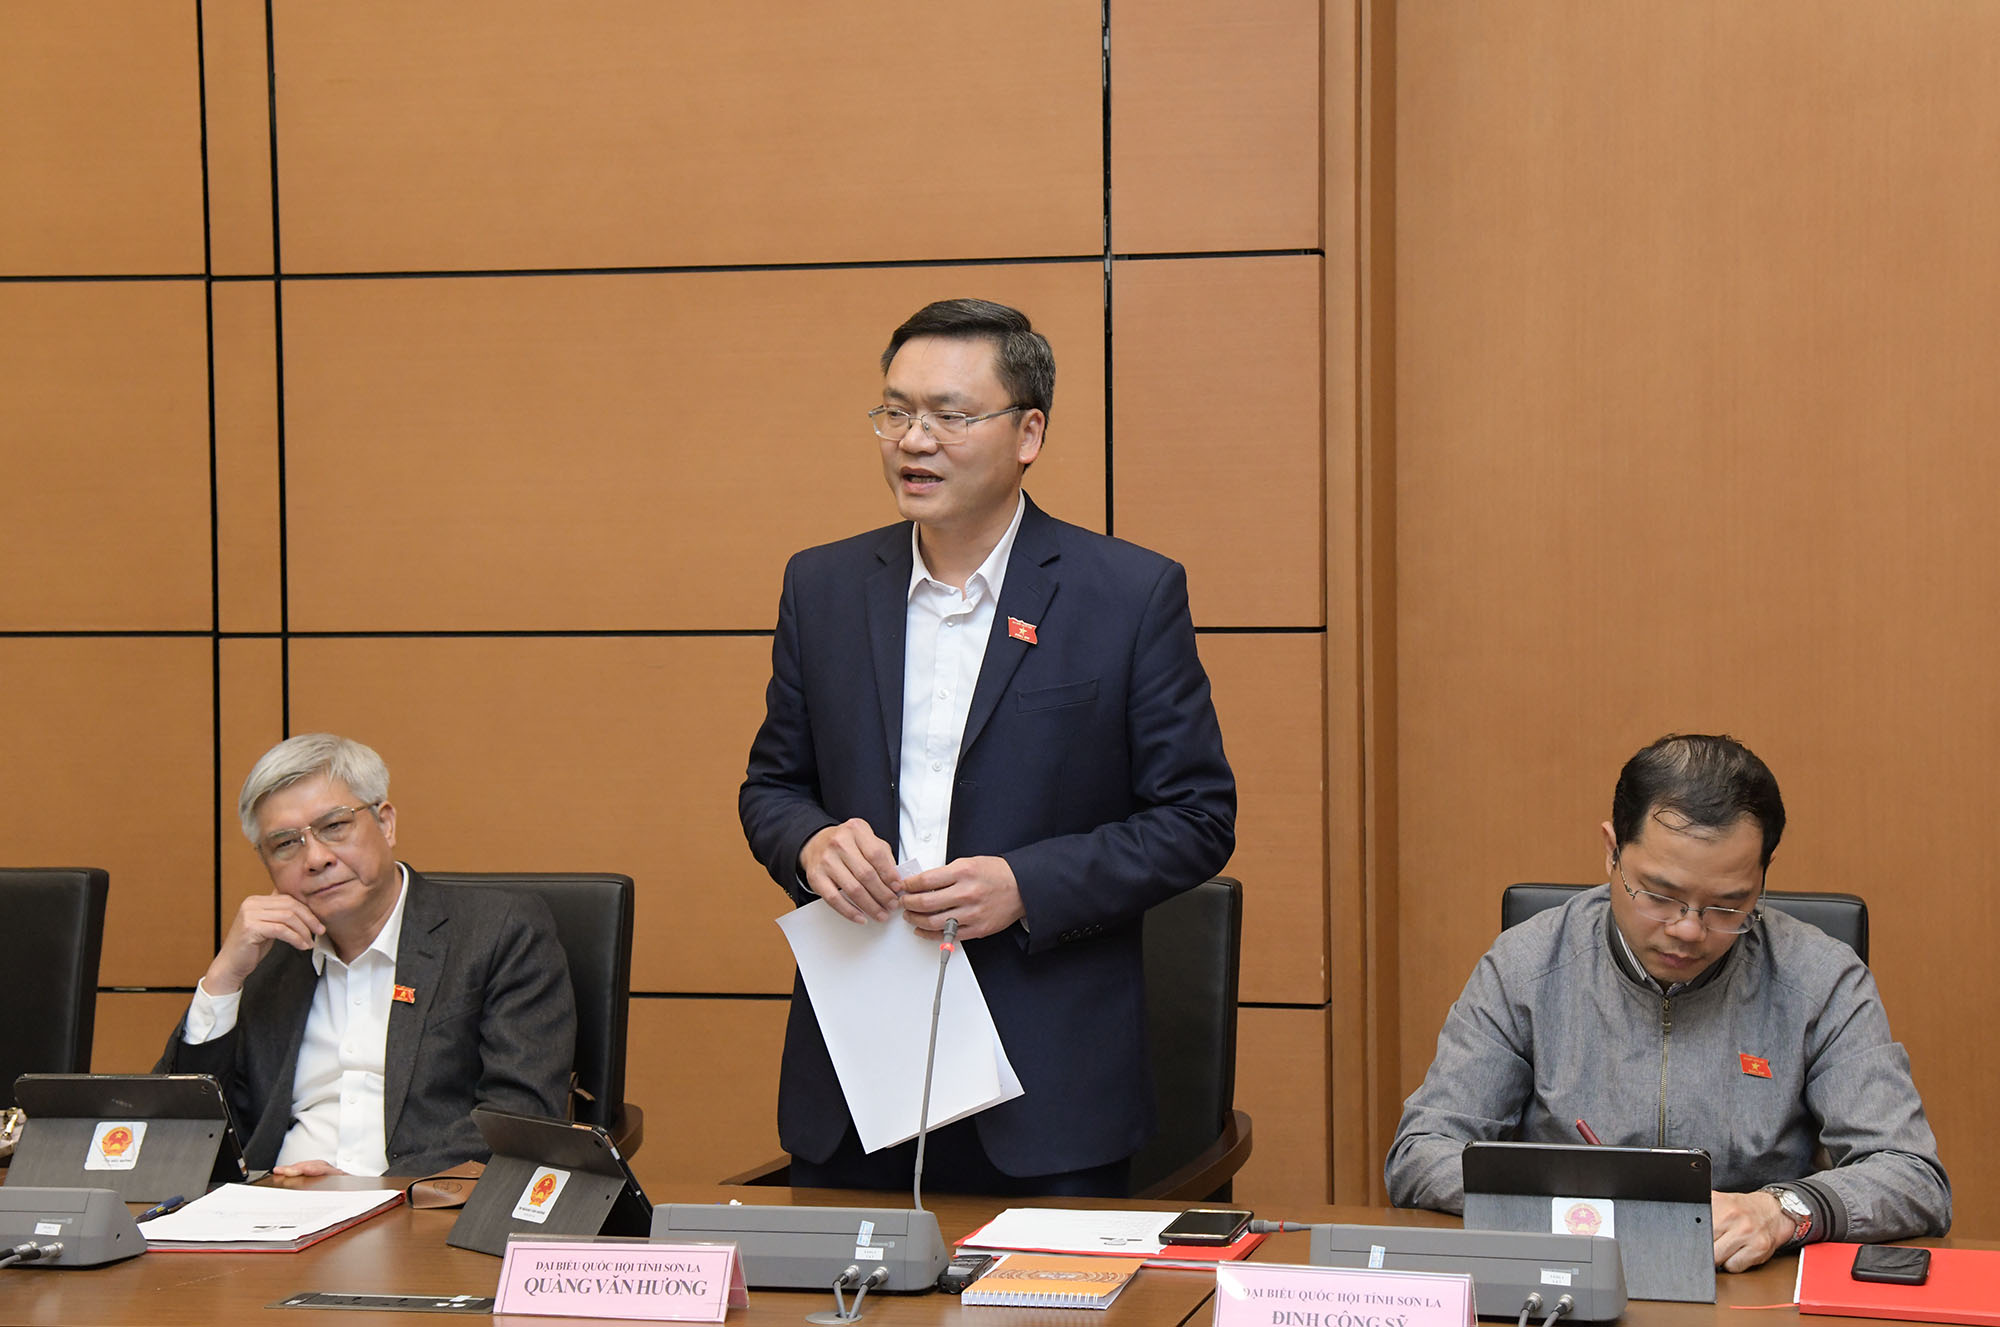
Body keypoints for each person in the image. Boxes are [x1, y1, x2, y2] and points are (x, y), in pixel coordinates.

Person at [739, 298, 1236, 1196]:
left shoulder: (1127, 595)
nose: (913, 440)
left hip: (1048, 1088)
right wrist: (810, 845)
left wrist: (1026, 885)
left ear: (1028, 432)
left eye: (950, 416)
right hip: (857, 1073)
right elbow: (772, 786)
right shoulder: (823, 587)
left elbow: (1196, 819)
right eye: (896, 412)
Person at [1385, 733, 1950, 1270]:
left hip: (1748, 1288)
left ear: (1761, 878)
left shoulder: (1821, 980)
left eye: (1726, 906)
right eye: (1659, 895)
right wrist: (1574, 1202)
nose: (1687, 930)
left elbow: (1912, 1176)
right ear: (1612, 852)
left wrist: (1782, 1211)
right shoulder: (1527, 967)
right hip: (1568, 1271)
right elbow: (1422, 1154)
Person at [157, 733, 575, 1176]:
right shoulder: (268, 960)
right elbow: (182, 1133)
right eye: (286, 844)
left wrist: (375, 1194)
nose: (316, 858)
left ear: (386, 823)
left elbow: (519, 1116)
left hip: (420, 1205)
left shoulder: (496, 932)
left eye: (334, 826)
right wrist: (223, 979)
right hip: (273, 1201)